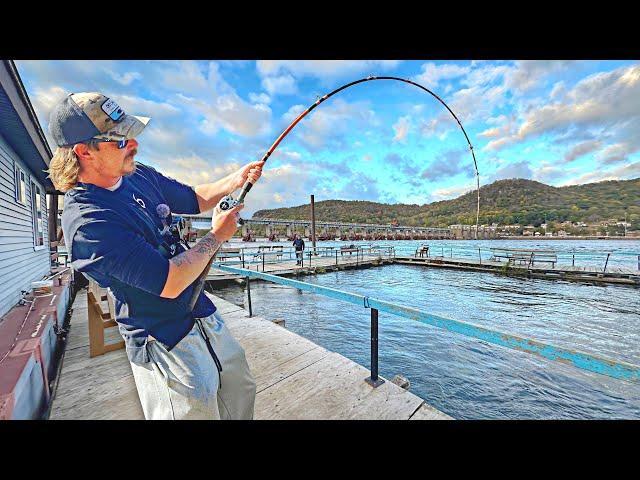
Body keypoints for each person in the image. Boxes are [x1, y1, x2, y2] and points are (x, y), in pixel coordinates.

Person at [48, 92, 264, 420]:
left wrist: (236, 179)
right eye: (120, 141)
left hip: (202, 313)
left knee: (240, 387)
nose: (133, 146)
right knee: (195, 407)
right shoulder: (88, 221)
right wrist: (218, 235)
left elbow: (194, 198)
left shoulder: (137, 174)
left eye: (131, 137)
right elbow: (170, 281)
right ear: (84, 152)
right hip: (161, 336)